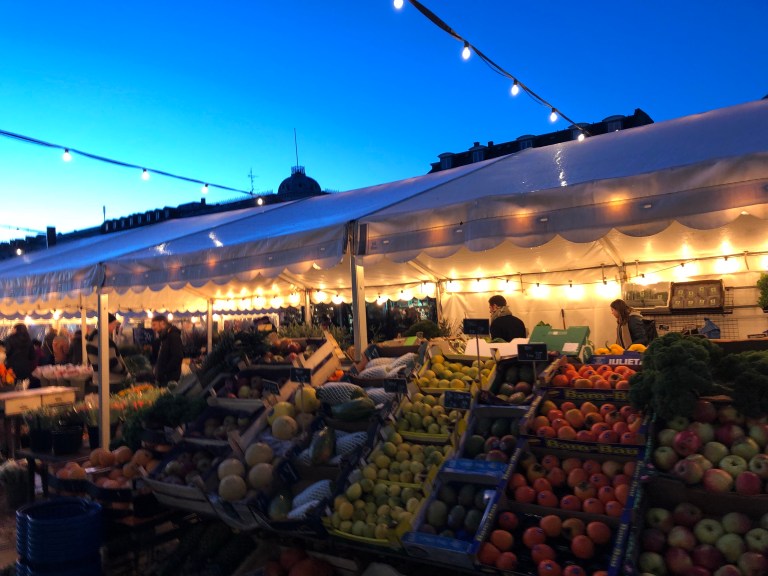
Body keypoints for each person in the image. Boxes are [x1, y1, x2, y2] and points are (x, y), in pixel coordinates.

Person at [86, 313, 129, 387]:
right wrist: (125, 371)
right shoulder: (105, 340)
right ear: (107, 324)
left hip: (98, 379)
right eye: (114, 324)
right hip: (111, 381)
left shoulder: (92, 339)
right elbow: (113, 363)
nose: (115, 326)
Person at [151, 314, 184, 386]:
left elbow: (178, 356)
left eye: (154, 325)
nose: (153, 328)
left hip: (169, 379)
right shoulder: (164, 337)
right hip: (163, 378)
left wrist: (165, 372)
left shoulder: (173, 336)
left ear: (162, 323)